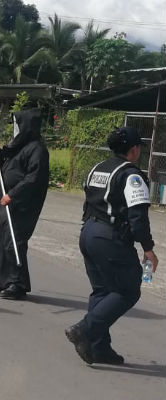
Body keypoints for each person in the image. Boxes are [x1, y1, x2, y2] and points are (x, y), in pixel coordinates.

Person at [65, 127, 158, 365]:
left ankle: (98, 348)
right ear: (135, 149)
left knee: (103, 290)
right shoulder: (131, 175)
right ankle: (85, 330)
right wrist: (148, 248)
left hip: (88, 232)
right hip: (109, 237)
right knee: (127, 290)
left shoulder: (98, 168)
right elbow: (138, 217)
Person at [0, 108, 49, 299]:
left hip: (21, 203)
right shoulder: (17, 145)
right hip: (4, 199)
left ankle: (17, 283)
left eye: (17, 124)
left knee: (12, 241)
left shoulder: (37, 150)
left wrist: (13, 194)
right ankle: (1, 280)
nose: (15, 128)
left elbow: (34, 178)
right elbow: (2, 165)